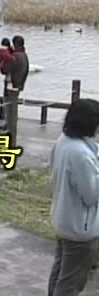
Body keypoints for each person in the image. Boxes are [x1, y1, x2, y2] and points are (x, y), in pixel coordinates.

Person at [48, 98, 99, 296]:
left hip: (63, 219)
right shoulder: (81, 155)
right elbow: (91, 196)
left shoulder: (63, 142)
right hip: (80, 228)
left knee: (61, 272)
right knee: (71, 282)